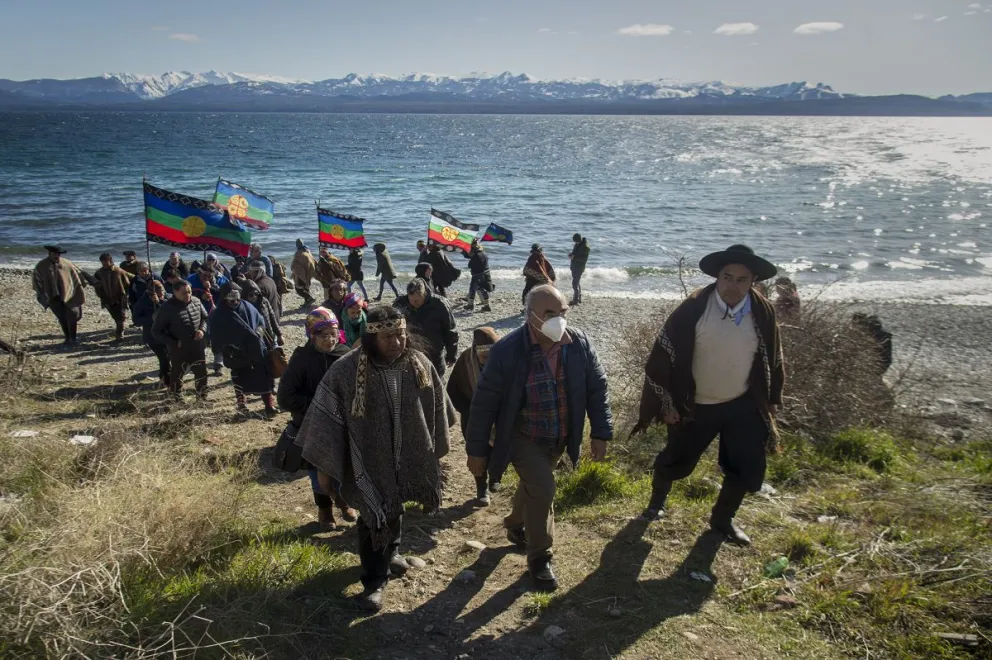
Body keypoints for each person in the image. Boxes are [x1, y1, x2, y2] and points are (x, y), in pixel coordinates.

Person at [297, 306, 454, 612]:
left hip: (407, 456)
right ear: (371, 338)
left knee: (394, 507)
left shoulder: (419, 364)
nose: (396, 342)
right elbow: (325, 419)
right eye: (387, 337)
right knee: (373, 515)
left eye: (400, 335)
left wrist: (433, 451)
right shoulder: (346, 370)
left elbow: (438, 408)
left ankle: (392, 553)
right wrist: (326, 469)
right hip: (366, 461)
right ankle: (373, 582)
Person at [633, 244, 784, 547]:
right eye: (727, 277)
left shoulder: (763, 311)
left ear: (754, 280)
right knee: (677, 460)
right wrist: (668, 403)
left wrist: (770, 402)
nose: (733, 286)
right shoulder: (693, 309)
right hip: (695, 405)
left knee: (744, 465)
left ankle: (723, 520)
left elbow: (774, 358)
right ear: (717, 276)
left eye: (742, 280)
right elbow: (661, 358)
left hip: (742, 403)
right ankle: (656, 503)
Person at [465, 285, 612, 592]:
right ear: (530, 315)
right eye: (549, 314)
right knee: (544, 489)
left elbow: (597, 388)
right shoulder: (507, 351)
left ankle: (515, 523)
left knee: (533, 486)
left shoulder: (579, 344)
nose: (558, 320)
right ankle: (540, 557)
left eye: (563, 313)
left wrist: (600, 433)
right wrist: (477, 450)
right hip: (523, 436)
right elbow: (484, 403)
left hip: (560, 435)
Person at [277, 308, 358, 529]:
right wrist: (318, 404)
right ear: (312, 335)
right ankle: (324, 510)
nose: (330, 340)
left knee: (344, 466)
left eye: (333, 334)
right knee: (316, 470)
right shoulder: (301, 359)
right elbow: (285, 397)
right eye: (324, 335)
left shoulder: (345, 354)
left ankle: (344, 502)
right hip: (311, 424)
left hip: (343, 424)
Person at [446, 327, 500, 505]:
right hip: (472, 417)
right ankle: (481, 489)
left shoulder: (505, 359)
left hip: (498, 416)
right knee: (477, 452)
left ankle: (494, 478)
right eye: (483, 353)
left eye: (491, 352)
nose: (487, 357)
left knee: (496, 450)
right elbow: (452, 389)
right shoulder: (465, 360)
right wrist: (469, 410)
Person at [209, 282, 277, 419]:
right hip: (236, 354)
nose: (235, 302)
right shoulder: (218, 315)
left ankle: (269, 406)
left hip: (256, 349)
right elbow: (215, 337)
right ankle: (242, 407)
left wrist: (258, 332)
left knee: (264, 378)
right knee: (239, 380)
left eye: (237, 299)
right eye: (231, 300)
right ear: (224, 299)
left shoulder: (248, 306)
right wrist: (223, 350)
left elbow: (261, 322)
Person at [151, 279, 209, 400]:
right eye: (184, 293)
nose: (188, 295)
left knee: (201, 372)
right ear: (175, 292)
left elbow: (205, 318)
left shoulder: (196, 301)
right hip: (178, 347)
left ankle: (202, 397)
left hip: (197, 344)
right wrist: (173, 342)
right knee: (178, 373)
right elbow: (156, 331)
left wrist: (202, 330)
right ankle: (176, 397)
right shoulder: (167, 308)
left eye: (189, 291)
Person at [393, 278, 458, 376]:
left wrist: (451, 355)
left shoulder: (439, 304)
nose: (414, 303)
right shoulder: (400, 303)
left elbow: (450, 331)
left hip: (434, 353)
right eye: (411, 300)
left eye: (417, 300)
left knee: (436, 382)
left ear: (424, 294)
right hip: (410, 351)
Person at [32, 245, 86, 346]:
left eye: (58, 254)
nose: (56, 256)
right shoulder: (41, 265)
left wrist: (93, 281)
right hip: (53, 296)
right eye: (54, 254)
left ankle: (73, 338)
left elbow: (79, 273)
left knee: (74, 314)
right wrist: (42, 293)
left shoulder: (67, 263)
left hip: (70, 294)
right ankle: (68, 338)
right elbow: (37, 279)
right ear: (49, 253)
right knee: (62, 317)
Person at [188, 262, 228, 375]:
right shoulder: (191, 280)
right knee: (201, 341)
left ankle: (218, 364)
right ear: (199, 272)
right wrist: (201, 296)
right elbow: (185, 296)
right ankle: (199, 364)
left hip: (217, 314)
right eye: (203, 275)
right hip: (198, 315)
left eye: (209, 276)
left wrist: (214, 288)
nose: (206, 278)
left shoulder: (221, 279)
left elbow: (226, 293)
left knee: (218, 339)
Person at [132, 279, 170, 388]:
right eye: (159, 292)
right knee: (164, 357)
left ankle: (164, 377)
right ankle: (167, 380)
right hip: (152, 335)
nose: (162, 294)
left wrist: (159, 302)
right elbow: (136, 320)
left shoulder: (167, 298)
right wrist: (151, 319)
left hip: (167, 333)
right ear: (151, 293)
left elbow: (171, 309)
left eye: (162, 291)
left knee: (168, 357)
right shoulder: (142, 302)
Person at [93, 252, 133, 342]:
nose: (104, 264)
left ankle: (119, 336)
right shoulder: (99, 273)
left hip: (121, 299)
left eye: (106, 261)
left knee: (122, 318)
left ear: (110, 261)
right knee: (116, 318)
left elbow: (131, 278)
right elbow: (95, 283)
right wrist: (101, 295)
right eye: (102, 262)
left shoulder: (118, 271)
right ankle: (119, 333)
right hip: (107, 299)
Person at [241, 279, 284, 348]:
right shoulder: (242, 308)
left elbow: (272, 318)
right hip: (254, 340)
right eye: (251, 295)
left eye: (256, 294)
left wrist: (279, 334)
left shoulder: (264, 301)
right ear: (245, 296)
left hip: (268, 336)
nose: (254, 296)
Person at [466, 240, 493, 312]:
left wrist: (471, 257)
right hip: (485, 274)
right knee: (482, 289)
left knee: (472, 289)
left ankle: (470, 305)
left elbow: (470, 265)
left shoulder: (475, 256)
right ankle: (487, 306)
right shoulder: (484, 254)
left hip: (477, 275)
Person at [291, 239, 318, 308]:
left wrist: (293, 270)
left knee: (299, 289)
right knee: (306, 288)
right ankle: (307, 303)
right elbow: (313, 262)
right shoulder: (307, 252)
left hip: (300, 274)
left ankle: (310, 298)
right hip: (308, 273)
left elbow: (294, 265)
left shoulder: (298, 253)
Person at [568, 233, 591, 305]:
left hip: (579, 267)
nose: (575, 243)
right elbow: (575, 253)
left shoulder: (585, 247)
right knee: (577, 282)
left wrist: (574, 257)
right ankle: (578, 299)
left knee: (575, 283)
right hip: (575, 266)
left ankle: (576, 300)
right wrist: (571, 254)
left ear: (579, 240)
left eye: (575, 241)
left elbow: (584, 259)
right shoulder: (578, 244)